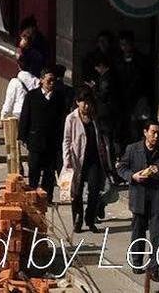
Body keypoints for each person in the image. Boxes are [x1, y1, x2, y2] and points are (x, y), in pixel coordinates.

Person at [118, 120, 159, 274]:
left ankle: (154, 268)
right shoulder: (133, 149)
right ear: (145, 132)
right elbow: (121, 167)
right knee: (138, 232)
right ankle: (136, 263)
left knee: (157, 235)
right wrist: (132, 176)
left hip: (157, 198)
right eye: (153, 132)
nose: (156, 136)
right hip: (139, 196)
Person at [60, 91, 110, 234]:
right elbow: (67, 140)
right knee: (76, 192)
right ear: (77, 102)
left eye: (89, 103)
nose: (86, 106)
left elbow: (101, 138)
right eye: (83, 102)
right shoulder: (71, 118)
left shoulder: (95, 117)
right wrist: (67, 160)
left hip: (94, 159)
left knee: (94, 190)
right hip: (77, 160)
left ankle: (90, 218)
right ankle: (78, 219)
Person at [19, 66, 71, 196]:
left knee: (49, 171)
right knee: (34, 169)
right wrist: (22, 136)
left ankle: (47, 197)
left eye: (54, 80)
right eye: (49, 80)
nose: (52, 83)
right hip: (35, 140)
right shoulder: (32, 96)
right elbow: (25, 116)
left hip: (53, 141)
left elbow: (63, 118)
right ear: (41, 80)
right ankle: (32, 196)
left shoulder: (59, 97)